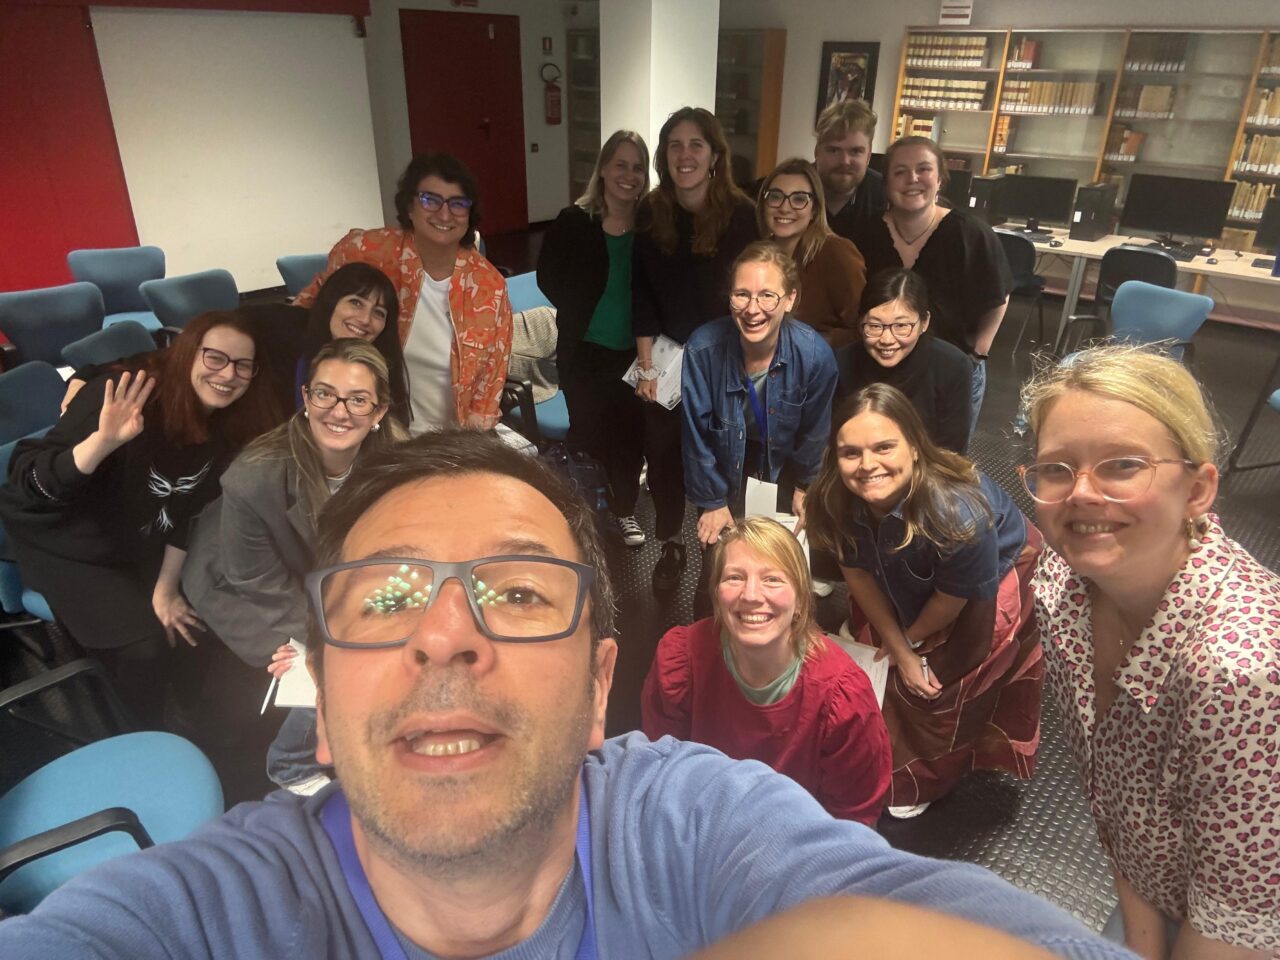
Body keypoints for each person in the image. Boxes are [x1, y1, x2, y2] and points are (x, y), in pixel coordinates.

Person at [0, 429, 1141, 960]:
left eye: (515, 589)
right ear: (318, 685)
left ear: (603, 685)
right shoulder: (207, 914)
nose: (445, 635)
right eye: (387, 598)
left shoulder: (693, 827)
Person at [1020, 344, 1279, 960]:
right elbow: (1113, 801)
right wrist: (1140, 941)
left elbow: (1240, 923)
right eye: (1057, 468)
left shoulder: (1242, 672)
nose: (1080, 493)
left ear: (1197, 489)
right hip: (1165, 889)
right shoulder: (1062, 588)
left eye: (1122, 465)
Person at [0, 310, 279, 728]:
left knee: (194, 611)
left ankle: (194, 714)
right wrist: (102, 442)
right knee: (142, 647)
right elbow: (30, 480)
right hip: (66, 540)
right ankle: (139, 729)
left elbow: (188, 508)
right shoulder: (124, 397)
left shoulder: (226, 425)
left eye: (243, 365)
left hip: (138, 532)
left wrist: (165, 589)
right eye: (215, 358)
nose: (229, 374)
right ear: (187, 355)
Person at [805, 384, 1043, 818]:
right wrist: (893, 646)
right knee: (888, 646)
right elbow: (856, 571)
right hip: (918, 555)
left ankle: (927, 775)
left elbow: (950, 605)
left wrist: (910, 646)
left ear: (914, 448)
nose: (867, 465)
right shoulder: (833, 495)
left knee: (938, 682)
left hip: (995, 559)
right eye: (850, 453)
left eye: (883, 447)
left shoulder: (959, 517)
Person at [182, 339, 409, 793]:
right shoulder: (254, 476)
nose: (339, 411)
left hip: (328, 580)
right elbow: (256, 580)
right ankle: (292, 765)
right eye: (325, 394)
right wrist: (328, 636)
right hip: (241, 583)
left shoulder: (400, 461)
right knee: (332, 661)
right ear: (306, 398)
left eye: (358, 399)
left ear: (379, 412)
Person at [641, 516, 891, 825]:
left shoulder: (843, 697)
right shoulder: (681, 660)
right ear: (717, 595)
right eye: (734, 577)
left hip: (796, 838)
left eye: (772, 579)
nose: (751, 595)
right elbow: (664, 767)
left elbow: (852, 816)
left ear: (801, 600)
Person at [633, 106, 758, 592]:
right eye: (675, 145)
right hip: (663, 357)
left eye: (695, 145)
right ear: (664, 155)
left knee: (722, 453)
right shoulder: (652, 209)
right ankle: (671, 543)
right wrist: (645, 365)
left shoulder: (742, 214)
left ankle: (720, 549)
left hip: (726, 357)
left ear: (714, 155)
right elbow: (639, 292)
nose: (684, 154)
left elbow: (751, 293)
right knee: (662, 455)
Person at [296, 152, 512, 432]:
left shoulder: (489, 286)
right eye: (430, 200)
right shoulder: (366, 252)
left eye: (458, 204)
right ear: (409, 207)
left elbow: (489, 387)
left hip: (450, 438)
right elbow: (307, 311)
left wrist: (469, 452)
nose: (444, 214)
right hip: (363, 429)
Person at [681, 241, 837, 548]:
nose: (753, 309)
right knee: (721, 558)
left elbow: (815, 431)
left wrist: (807, 487)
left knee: (778, 554)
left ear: (790, 299)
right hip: (722, 457)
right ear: (730, 298)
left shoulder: (816, 355)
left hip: (785, 457)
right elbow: (696, 434)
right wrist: (713, 501)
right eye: (742, 295)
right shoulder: (702, 349)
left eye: (768, 295)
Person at [537, 129, 650, 547]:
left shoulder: (650, 227)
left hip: (635, 354)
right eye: (620, 164)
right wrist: (581, 307)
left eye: (638, 167)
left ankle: (622, 512)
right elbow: (549, 275)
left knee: (629, 439)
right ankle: (585, 513)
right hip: (583, 353)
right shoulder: (574, 222)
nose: (629, 174)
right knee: (587, 436)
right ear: (603, 169)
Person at [857, 136, 1012, 434]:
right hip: (880, 367)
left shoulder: (971, 234)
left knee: (942, 465)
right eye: (900, 171)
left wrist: (978, 353)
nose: (912, 179)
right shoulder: (865, 232)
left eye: (923, 169)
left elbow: (998, 295)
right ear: (886, 182)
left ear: (940, 179)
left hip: (952, 371)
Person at [835, 268, 973, 453]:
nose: (886, 339)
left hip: (926, 473)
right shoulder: (841, 363)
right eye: (875, 326)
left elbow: (951, 451)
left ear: (924, 322)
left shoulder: (952, 367)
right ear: (860, 324)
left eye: (901, 326)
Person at [756, 157, 867, 349]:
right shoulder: (759, 254)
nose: (784, 207)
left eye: (799, 199)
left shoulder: (836, 252)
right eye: (775, 196)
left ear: (814, 208)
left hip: (818, 369)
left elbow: (865, 326)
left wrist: (815, 344)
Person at [297, 262, 411, 425]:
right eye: (356, 303)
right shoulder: (294, 362)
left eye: (378, 313)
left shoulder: (387, 375)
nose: (365, 319)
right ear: (331, 302)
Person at [813, 99, 885, 255]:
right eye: (834, 150)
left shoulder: (886, 196)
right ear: (817, 151)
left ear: (868, 156)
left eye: (856, 151)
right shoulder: (790, 189)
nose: (845, 161)